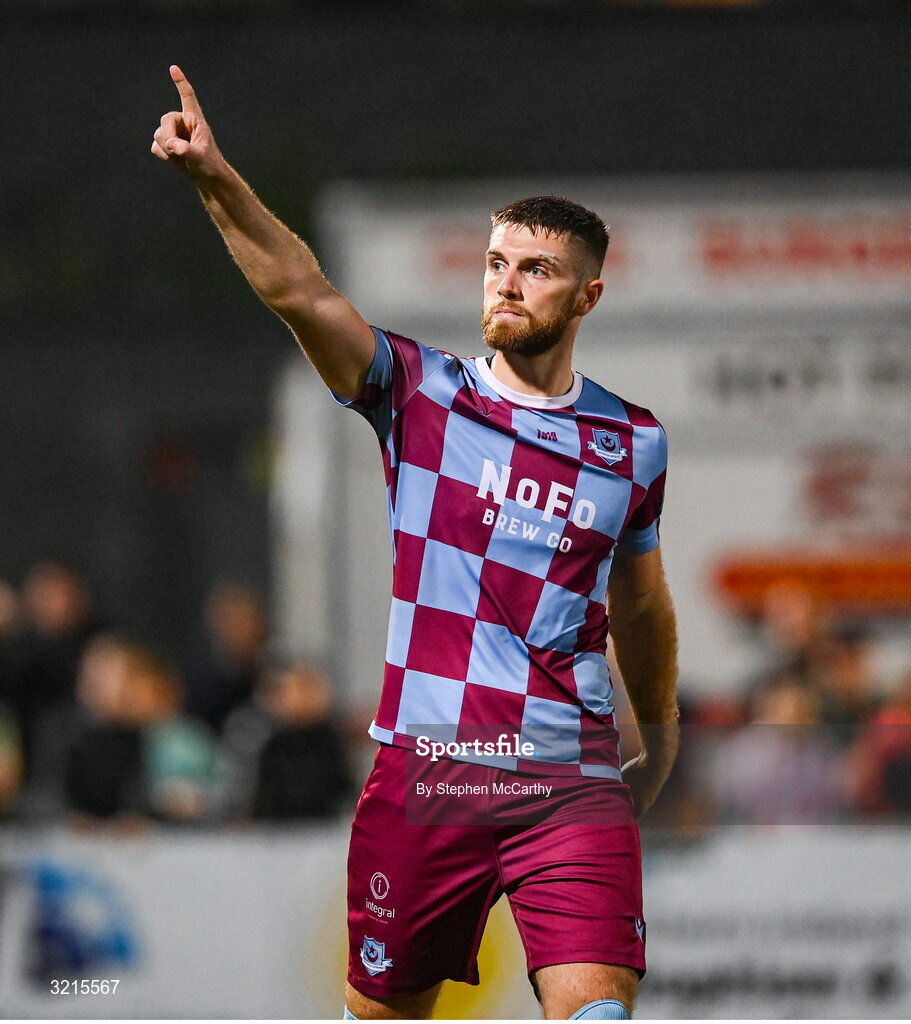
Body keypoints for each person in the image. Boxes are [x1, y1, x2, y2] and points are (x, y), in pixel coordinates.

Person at [152, 66, 679, 1021]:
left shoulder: (631, 442)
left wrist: (663, 728)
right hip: (432, 768)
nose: (507, 285)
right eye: (495, 264)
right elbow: (300, 292)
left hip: (571, 772)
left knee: (599, 1010)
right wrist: (215, 181)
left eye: (536, 269)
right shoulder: (424, 395)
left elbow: (640, 603)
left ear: (588, 296)